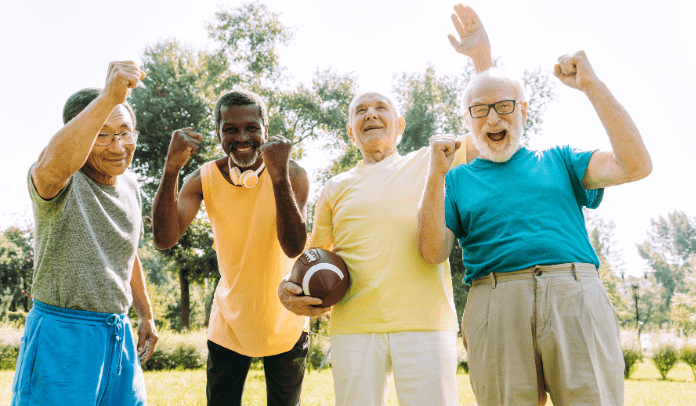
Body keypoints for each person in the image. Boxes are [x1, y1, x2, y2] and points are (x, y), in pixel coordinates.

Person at [277, 5, 492, 405]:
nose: (370, 114)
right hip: (354, 327)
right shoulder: (335, 187)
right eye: (360, 110)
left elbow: (486, 130)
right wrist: (288, 291)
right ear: (350, 131)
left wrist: (482, 60)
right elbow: (314, 258)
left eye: (381, 108)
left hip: (426, 324)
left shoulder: (433, 160)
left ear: (399, 124)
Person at [418, 41, 652, 404]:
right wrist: (435, 175)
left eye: (504, 107)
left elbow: (635, 165)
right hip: (496, 302)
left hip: (573, 295)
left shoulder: (561, 160)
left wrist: (591, 85)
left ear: (524, 111)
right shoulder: (456, 180)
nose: (492, 119)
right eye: (479, 110)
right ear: (467, 120)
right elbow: (433, 252)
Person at [13, 61, 159, 406]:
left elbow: (126, 252)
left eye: (124, 132)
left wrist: (145, 313)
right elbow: (51, 166)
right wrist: (109, 98)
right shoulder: (59, 180)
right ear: (81, 132)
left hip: (117, 333)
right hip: (62, 334)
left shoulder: (131, 187)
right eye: (101, 134)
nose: (117, 146)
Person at [151, 88, 310, 405]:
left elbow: (293, 247)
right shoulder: (202, 178)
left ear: (265, 129)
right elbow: (164, 238)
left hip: (286, 320)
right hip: (229, 322)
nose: (242, 137)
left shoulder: (293, 174)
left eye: (252, 127)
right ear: (217, 133)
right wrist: (171, 168)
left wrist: (277, 177)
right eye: (231, 129)